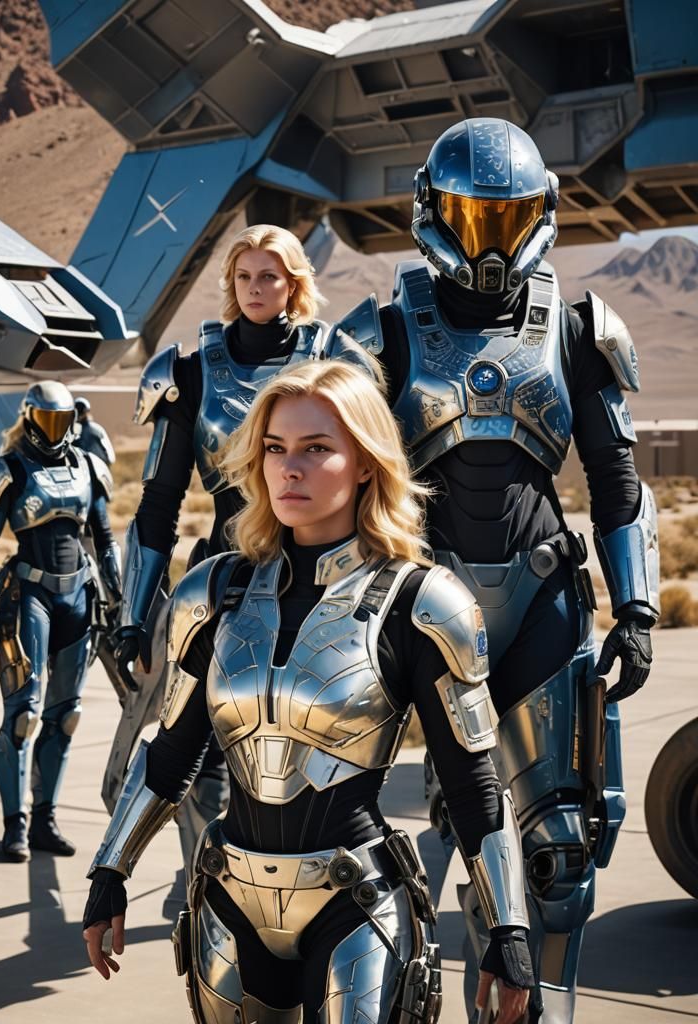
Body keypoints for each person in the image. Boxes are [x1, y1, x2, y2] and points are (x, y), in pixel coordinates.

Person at [83, 360, 534, 1024]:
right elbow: (171, 755)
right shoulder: (210, 593)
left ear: (364, 462)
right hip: (228, 899)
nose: (289, 468)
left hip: (353, 902)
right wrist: (110, 872)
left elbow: (472, 782)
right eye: (275, 448)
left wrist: (509, 929)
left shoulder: (422, 602)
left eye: (316, 448)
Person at [335, 117, 659, 1021]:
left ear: (541, 217)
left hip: (544, 599)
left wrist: (636, 606)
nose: (490, 243)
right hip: (424, 611)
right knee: (448, 835)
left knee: (559, 856)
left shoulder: (581, 326)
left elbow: (618, 479)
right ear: (434, 214)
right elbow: (330, 475)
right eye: (474, 220)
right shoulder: (385, 330)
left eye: (507, 220)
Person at [109, 224, 378, 894]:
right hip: (222, 585)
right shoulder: (191, 370)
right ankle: (207, 890)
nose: (257, 289)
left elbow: (376, 468)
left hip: (320, 586)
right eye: (245, 277)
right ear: (231, 286)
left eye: (270, 276)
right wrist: (133, 613)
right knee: (192, 762)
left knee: (306, 752)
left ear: (294, 283)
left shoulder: (336, 363)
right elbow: (158, 504)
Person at [0, 381, 122, 862]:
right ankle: (14, 825)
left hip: (79, 594)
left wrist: (120, 605)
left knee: (66, 717)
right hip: (28, 595)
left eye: (63, 421)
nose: (56, 431)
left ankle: (45, 821)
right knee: (24, 716)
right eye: (47, 420)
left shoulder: (88, 466)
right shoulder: (8, 467)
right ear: (30, 417)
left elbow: (104, 537)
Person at [73, 396, 116, 467]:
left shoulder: (95, 429)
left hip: (98, 469)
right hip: (87, 469)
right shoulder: (97, 428)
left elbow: (110, 456)